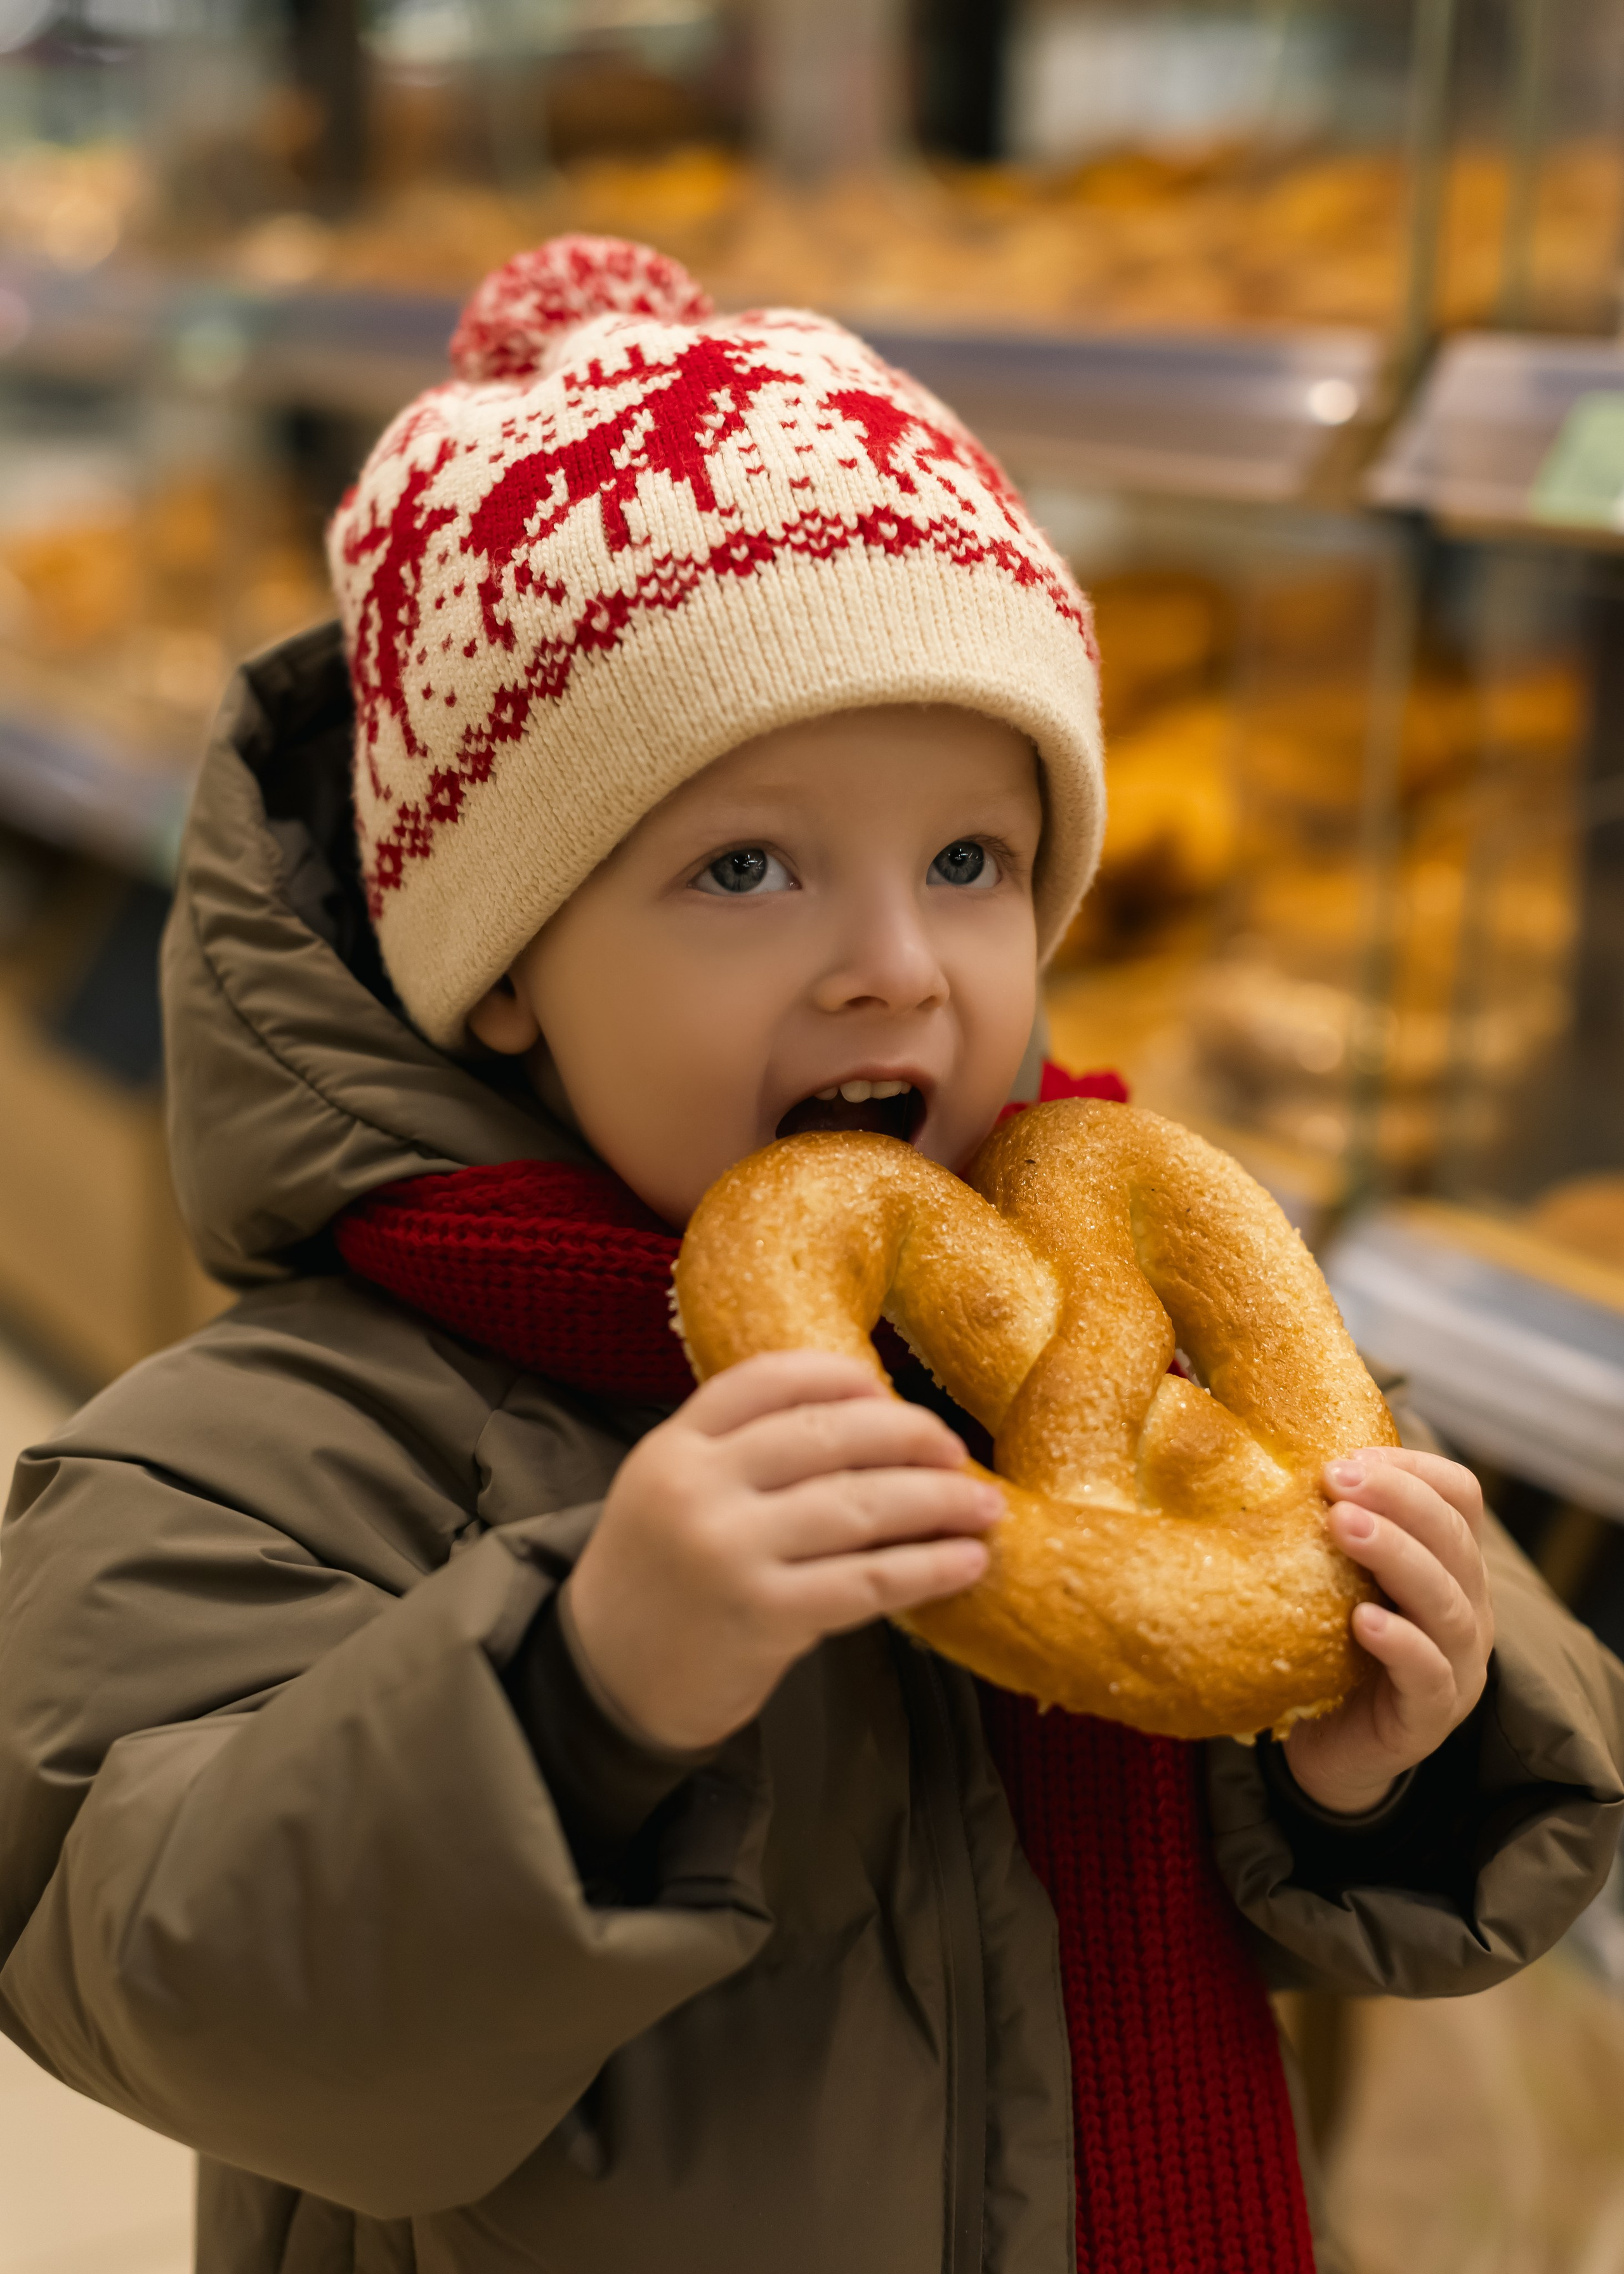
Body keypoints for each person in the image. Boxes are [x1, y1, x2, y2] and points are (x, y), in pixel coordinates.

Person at [0, 237, 1618, 2274]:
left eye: (972, 861)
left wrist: (1397, 1764)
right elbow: (173, 1979)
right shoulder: (272, 1451)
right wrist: (573, 1701)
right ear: (503, 969)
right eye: (745, 867)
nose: (893, 968)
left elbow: (1390, 1893)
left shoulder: (1116, 1347)